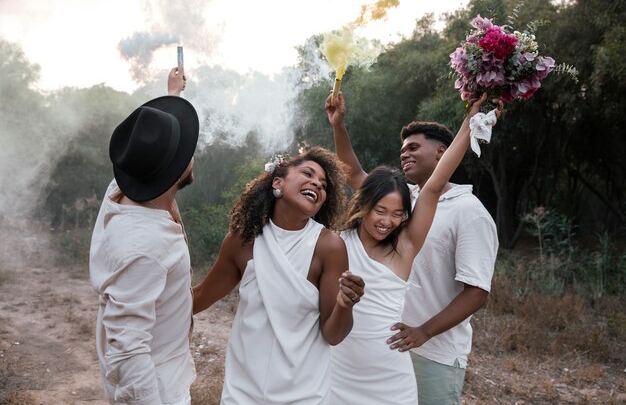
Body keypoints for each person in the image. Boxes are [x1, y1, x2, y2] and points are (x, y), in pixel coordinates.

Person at [326, 92, 501, 405]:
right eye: (381, 210)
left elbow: (435, 185)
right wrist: (338, 125)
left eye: (414, 148)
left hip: (421, 353)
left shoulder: (438, 222)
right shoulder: (399, 196)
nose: (389, 220)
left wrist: (470, 120)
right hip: (348, 356)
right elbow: (352, 172)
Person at [192, 147, 365, 405]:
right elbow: (200, 297)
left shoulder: (328, 246)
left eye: (323, 184)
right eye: (308, 173)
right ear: (277, 182)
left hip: (303, 393)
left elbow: (333, 335)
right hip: (243, 391)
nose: (317, 183)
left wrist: (345, 304)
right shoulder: (243, 240)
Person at [89, 67, 198, 405]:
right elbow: (128, 354)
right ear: (170, 171)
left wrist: (173, 95)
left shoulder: (122, 190)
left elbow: (148, 145)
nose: (191, 154)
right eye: (184, 152)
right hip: (158, 391)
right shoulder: (145, 247)